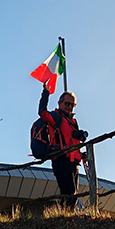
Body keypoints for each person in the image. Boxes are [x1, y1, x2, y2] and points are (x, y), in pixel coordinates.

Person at [38, 80, 87, 208]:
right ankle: (66, 220)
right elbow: (42, 113)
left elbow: (71, 143)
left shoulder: (73, 122)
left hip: (73, 162)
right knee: (69, 194)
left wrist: (81, 156)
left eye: (72, 105)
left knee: (72, 194)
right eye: (67, 103)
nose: (69, 107)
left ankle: (65, 218)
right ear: (60, 103)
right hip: (61, 159)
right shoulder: (56, 116)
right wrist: (46, 93)